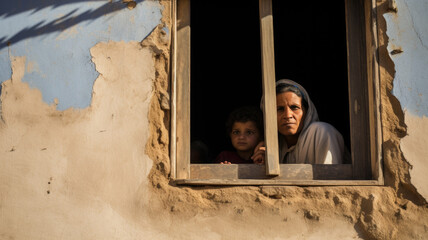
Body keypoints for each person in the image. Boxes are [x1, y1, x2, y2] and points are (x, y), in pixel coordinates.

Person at [251, 79, 349, 164]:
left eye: (294, 108)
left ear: (307, 112)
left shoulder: (321, 132)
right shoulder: (273, 146)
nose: (288, 115)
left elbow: (330, 180)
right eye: (279, 109)